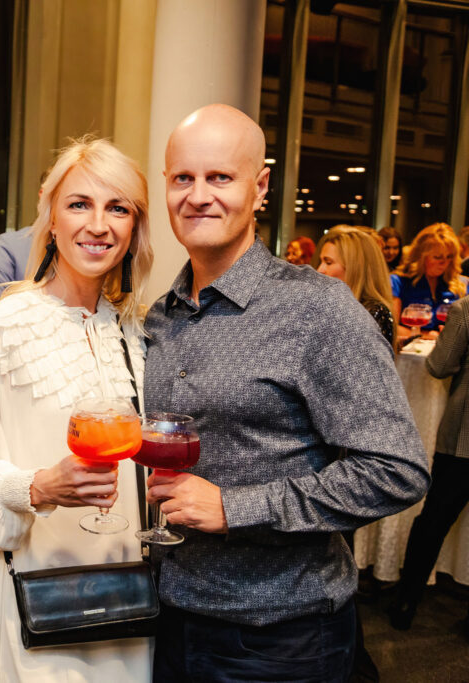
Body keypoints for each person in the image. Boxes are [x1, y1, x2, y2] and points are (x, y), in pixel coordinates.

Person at [143, 104, 429, 682]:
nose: (198, 195)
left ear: (260, 187)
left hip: (281, 637)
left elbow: (397, 470)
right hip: (169, 618)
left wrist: (235, 508)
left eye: (220, 177)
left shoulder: (317, 310)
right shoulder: (160, 317)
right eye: (183, 178)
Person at [0, 136, 153, 681]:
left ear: (134, 229)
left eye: (118, 208)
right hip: (34, 597)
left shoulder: (135, 332)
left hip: (126, 594)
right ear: (52, 220)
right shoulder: (3, 328)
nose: (98, 225)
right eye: (79, 204)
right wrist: (35, 487)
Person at [389, 294, 469, 634]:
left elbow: (439, 366)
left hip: (464, 438)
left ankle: (406, 602)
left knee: (434, 520)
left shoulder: (465, 308)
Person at [316, 225, 397, 351]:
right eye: (321, 262)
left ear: (354, 267)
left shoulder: (373, 312)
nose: (320, 270)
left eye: (328, 262)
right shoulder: (330, 304)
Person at [392, 223, 466, 340]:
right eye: (437, 257)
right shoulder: (398, 282)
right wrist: (425, 336)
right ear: (420, 256)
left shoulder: (462, 284)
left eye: (449, 257)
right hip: (410, 348)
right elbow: (392, 327)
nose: (444, 262)